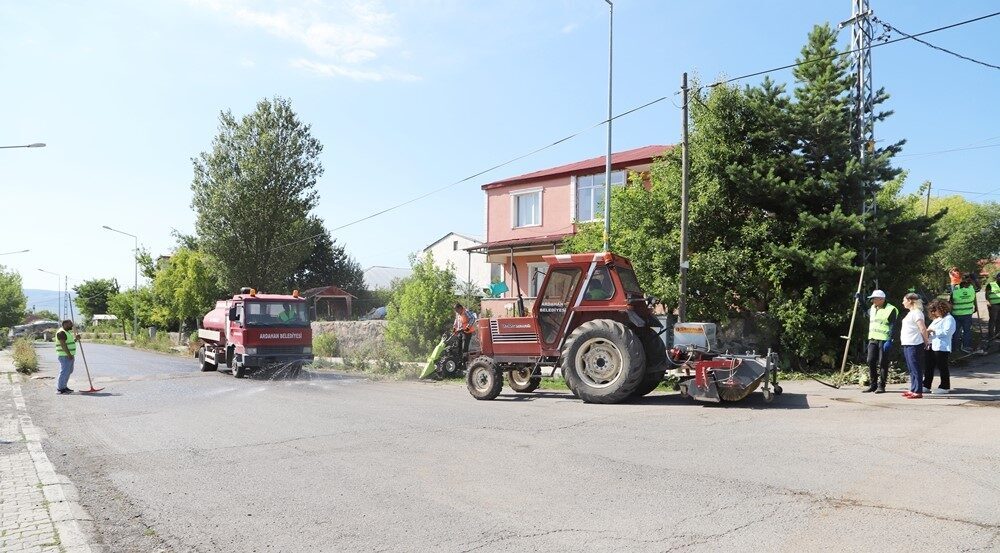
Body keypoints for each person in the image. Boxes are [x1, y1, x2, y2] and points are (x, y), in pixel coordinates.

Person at [863, 290, 898, 394]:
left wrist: (890, 339)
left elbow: (893, 326)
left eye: (874, 299)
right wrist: (860, 301)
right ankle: (873, 385)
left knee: (883, 362)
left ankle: (881, 386)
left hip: (884, 340)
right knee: (870, 360)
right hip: (873, 338)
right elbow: (867, 312)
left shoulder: (891, 309)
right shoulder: (873, 308)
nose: (872, 300)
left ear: (881, 299)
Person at [900, 293, 930, 399]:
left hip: (915, 344)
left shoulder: (917, 313)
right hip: (907, 343)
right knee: (911, 367)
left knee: (916, 367)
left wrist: (926, 342)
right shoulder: (910, 313)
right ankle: (913, 388)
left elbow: (922, 328)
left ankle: (918, 390)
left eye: (904, 300)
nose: (903, 302)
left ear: (910, 301)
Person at [923, 299, 956, 395]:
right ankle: (926, 385)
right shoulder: (937, 319)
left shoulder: (949, 319)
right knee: (929, 366)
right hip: (931, 345)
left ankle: (945, 386)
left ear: (941, 309)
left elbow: (947, 332)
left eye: (935, 310)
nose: (933, 312)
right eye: (932, 311)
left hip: (942, 346)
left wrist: (933, 331)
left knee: (942, 367)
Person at [950, 274, 978, 353]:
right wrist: (975, 307)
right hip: (967, 314)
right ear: (969, 282)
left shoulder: (955, 289)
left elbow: (951, 302)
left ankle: (954, 348)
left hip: (956, 314)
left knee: (955, 331)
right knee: (967, 331)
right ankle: (966, 346)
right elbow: (975, 295)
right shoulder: (971, 289)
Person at [55, 319, 78, 394]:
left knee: (68, 371)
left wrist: (76, 339)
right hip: (65, 356)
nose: (72, 325)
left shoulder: (66, 332)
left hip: (69, 355)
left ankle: (64, 386)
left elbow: (68, 342)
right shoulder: (61, 332)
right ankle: (60, 389)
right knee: (64, 372)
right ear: (65, 324)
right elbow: (63, 345)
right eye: (70, 324)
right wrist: (69, 354)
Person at [984, 272, 1000, 340]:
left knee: (999, 320)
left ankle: (997, 334)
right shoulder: (990, 285)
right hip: (993, 305)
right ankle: (991, 335)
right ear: (997, 278)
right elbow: (987, 295)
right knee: (993, 320)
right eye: (999, 277)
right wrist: (988, 302)